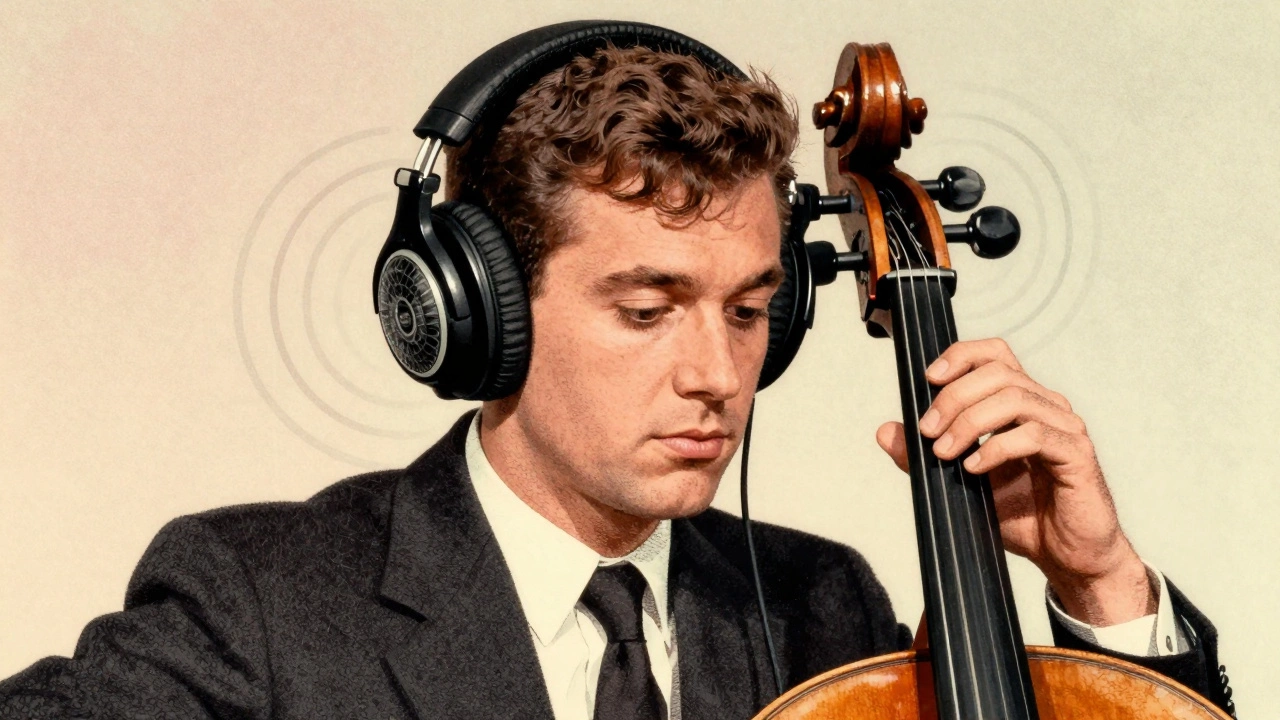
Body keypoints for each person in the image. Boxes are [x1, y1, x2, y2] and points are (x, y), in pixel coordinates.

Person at [0, 32, 1232, 720]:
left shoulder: (822, 617)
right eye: (646, 308)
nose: (715, 374)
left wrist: (1097, 581)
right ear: (479, 311)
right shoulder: (261, 602)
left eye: (750, 310)